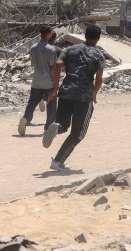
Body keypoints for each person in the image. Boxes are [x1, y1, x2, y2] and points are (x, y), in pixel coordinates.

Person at [42, 24, 106, 171]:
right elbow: (99, 79)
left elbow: (58, 65)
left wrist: (56, 86)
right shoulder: (98, 55)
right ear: (98, 38)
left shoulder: (69, 50)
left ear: (85, 36)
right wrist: (94, 93)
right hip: (83, 97)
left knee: (64, 125)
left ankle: (56, 127)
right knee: (78, 134)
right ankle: (57, 162)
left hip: (65, 92)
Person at [18, 26, 59, 136]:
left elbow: (32, 64)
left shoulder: (33, 47)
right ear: (50, 34)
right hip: (48, 82)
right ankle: (48, 128)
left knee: (32, 102)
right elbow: (53, 68)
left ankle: (26, 118)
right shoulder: (51, 49)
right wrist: (55, 83)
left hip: (36, 80)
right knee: (51, 105)